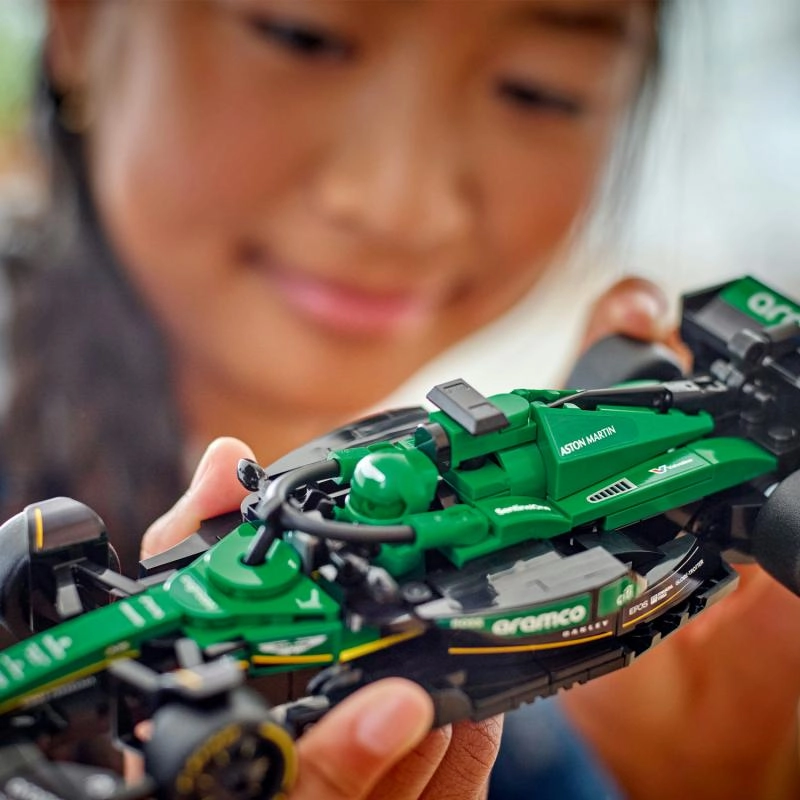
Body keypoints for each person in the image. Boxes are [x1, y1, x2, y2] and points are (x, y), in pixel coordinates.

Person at [0, 1, 799, 798]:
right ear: (76, 22)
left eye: (538, 90)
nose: (400, 203)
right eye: (301, 35)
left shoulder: (563, 751)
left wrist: (657, 771)